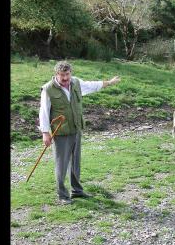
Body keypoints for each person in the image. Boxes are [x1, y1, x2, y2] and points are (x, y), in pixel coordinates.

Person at [38, 61, 121, 204]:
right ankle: (63, 195)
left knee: (76, 162)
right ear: (56, 74)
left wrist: (110, 82)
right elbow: (43, 112)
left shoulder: (76, 82)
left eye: (67, 74)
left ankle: (76, 191)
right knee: (62, 164)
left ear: (71, 73)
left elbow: (92, 85)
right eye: (62, 75)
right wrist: (45, 133)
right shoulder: (48, 89)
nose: (65, 78)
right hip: (61, 132)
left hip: (76, 129)